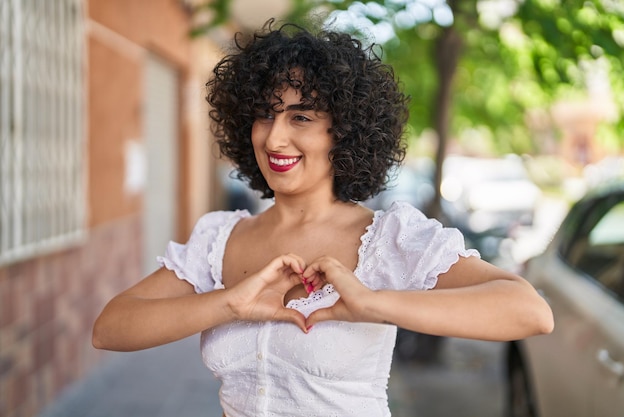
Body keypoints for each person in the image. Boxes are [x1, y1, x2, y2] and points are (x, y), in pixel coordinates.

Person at [92, 19, 553, 417]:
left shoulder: (387, 238)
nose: (274, 138)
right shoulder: (220, 236)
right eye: (263, 116)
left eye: (301, 118)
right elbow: (110, 327)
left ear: (344, 131)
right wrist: (230, 303)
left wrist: (372, 303)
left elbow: (528, 311)